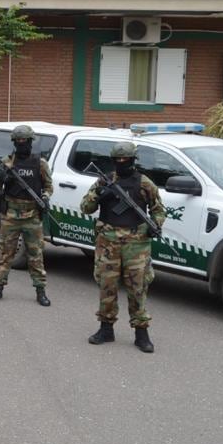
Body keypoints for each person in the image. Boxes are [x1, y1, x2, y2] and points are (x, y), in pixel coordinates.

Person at [82, 141, 165, 353]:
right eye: (117, 160)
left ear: (133, 160)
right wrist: (100, 194)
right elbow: (85, 207)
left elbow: (158, 210)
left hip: (136, 244)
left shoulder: (144, 183)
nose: (121, 163)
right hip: (108, 242)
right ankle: (106, 329)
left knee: (138, 288)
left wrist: (155, 225)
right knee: (107, 286)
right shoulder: (104, 180)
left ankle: (141, 333)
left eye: (125, 160)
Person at [0, 125, 53, 307]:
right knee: (6, 254)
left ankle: (41, 291)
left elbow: (48, 186)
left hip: (32, 215)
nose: (22, 144)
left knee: (36, 255)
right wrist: (1, 177)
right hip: (11, 215)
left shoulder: (40, 163)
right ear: (14, 143)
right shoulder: (6, 162)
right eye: (19, 141)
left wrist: (45, 198)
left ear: (31, 142)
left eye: (25, 141)